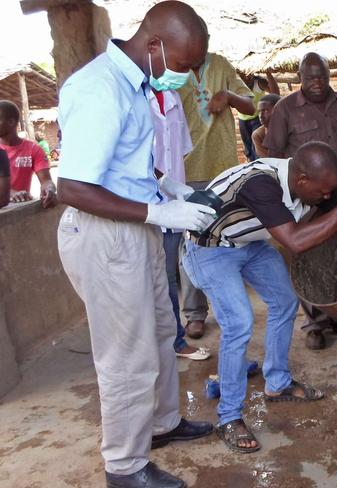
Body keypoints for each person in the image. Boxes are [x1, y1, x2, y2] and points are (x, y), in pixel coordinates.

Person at [56, 3, 215, 487]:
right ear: (154, 46)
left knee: (162, 334)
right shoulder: (99, 88)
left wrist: (166, 189)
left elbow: (124, 168)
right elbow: (73, 187)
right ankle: (124, 467)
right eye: (184, 65)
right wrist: (157, 211)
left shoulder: (135, 84)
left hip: (137, 227)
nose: (187, 77)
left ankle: (163, 425)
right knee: (127, 355)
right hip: (107, 235)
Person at [181, 141, 337, 453]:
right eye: (324, 193)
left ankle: (277, 384)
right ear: (302, 181)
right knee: (239, 323)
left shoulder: (315, 185)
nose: (328, 198)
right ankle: (229, 417)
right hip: (210, 247)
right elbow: (295, 241)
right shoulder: (262, 183)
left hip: (248, 241)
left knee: (285, 302)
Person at [264, 52, 337, 350]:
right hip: (306, 199)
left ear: (330, 75)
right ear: (300, 77)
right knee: (310, 260)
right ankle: (316, 323)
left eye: (322, 76)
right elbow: (274, 156)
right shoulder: (285, 109)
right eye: (309, 77)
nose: (316, 82)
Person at [177, 29, 256, 341]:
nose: (200, 48)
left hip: (224, 170)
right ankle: (195, 314)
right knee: (192, 245)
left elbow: (251, 107)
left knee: (228, 239)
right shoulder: (170, 72)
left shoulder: (221, 65)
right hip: (186, 171)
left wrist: (230, 97)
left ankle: (230, 309)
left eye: (203, 41)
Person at [148, 86, 210, 361]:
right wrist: (162, 185)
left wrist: (173, 186)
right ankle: (173, 339)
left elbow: (179, 151)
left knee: (173, 273)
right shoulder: (135, 100)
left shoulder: (172, 98)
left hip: (173, 200)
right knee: (163, 277)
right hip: (148, 206)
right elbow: (142, 160)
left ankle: (174, 338)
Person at [0, 101, 56, 208]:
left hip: (20, 210)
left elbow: (46, 180)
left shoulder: (33, 149)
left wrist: (49, 189)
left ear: (11, 122)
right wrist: (12, 194)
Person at [239, 71, 280, 161]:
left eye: (247, 75)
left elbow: (275, 93)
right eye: (241, 75)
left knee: (257, 144)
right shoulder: (238, 83)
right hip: (242, 120)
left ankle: (260, 163)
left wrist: (268, 73)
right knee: (248, 149)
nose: (245, 78)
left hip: (256, 118)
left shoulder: (258, 83)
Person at [251, 93, 281, 159]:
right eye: (259, 111)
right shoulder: (258, 135)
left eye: (266, 111)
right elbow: (269, 161)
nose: (261, 116)